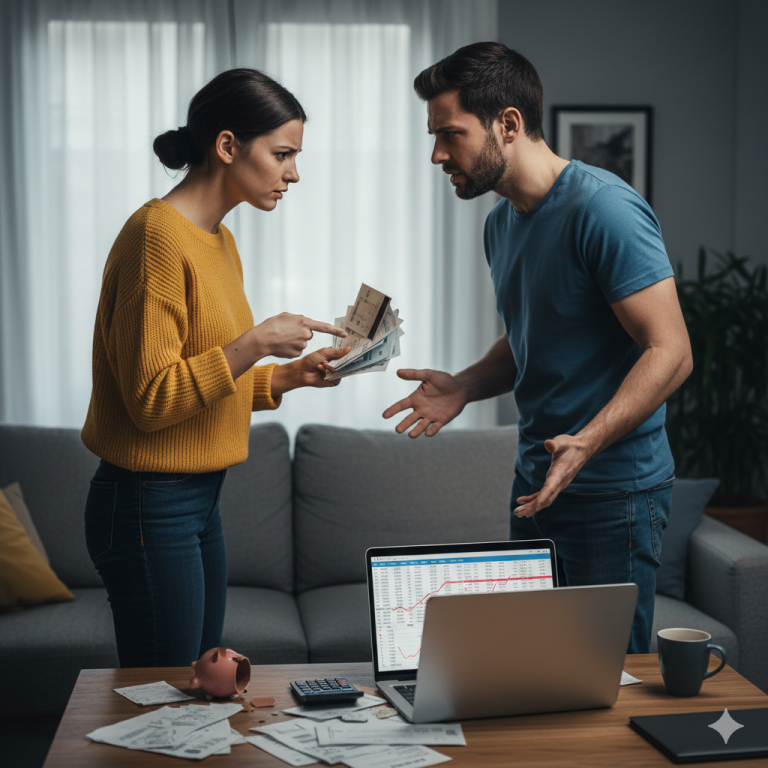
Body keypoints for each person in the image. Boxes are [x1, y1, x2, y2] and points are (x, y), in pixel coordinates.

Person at [383, 43, 693, 653]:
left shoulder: (604, 209)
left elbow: (672, 351)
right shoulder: (502, 224)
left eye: (450, 134)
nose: (437, 154)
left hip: (612, 489)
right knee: (542, 669)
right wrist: (466, 387)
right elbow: (537, 331)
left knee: (605, 681)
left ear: (508, 124)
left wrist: (587, 442)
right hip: (537, 484)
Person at [81, 68, 349, 668]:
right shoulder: (156, 237)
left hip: (199, 498)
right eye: (282, 154)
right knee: (166, 699)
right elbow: (151, 399)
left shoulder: (219, 241)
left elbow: (202, 379)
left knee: (204, 685)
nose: (294, 173)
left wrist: (290, 374)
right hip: (150, 500)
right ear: (227, 146)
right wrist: (254, 344)